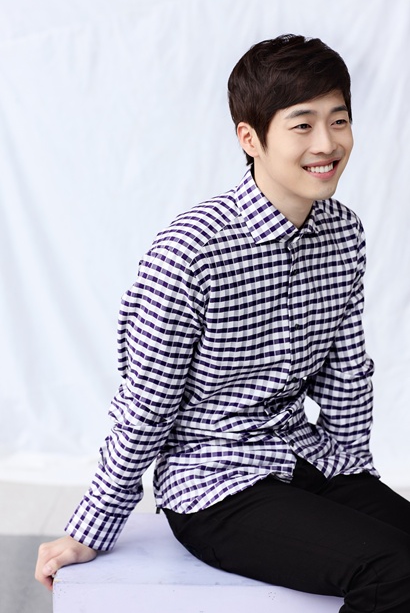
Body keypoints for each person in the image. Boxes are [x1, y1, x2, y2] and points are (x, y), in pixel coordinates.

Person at [35, 34, 410, 611]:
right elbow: (147, 403)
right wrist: (93, 526)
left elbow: (344, 371)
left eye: (339, 120)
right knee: (394, 571)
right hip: (214, 483)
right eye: (303, 125)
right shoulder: (191, 251)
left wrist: (353, 481)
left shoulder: (343, 233)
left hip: (302, 456)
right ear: (250, 138)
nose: (328, 143)